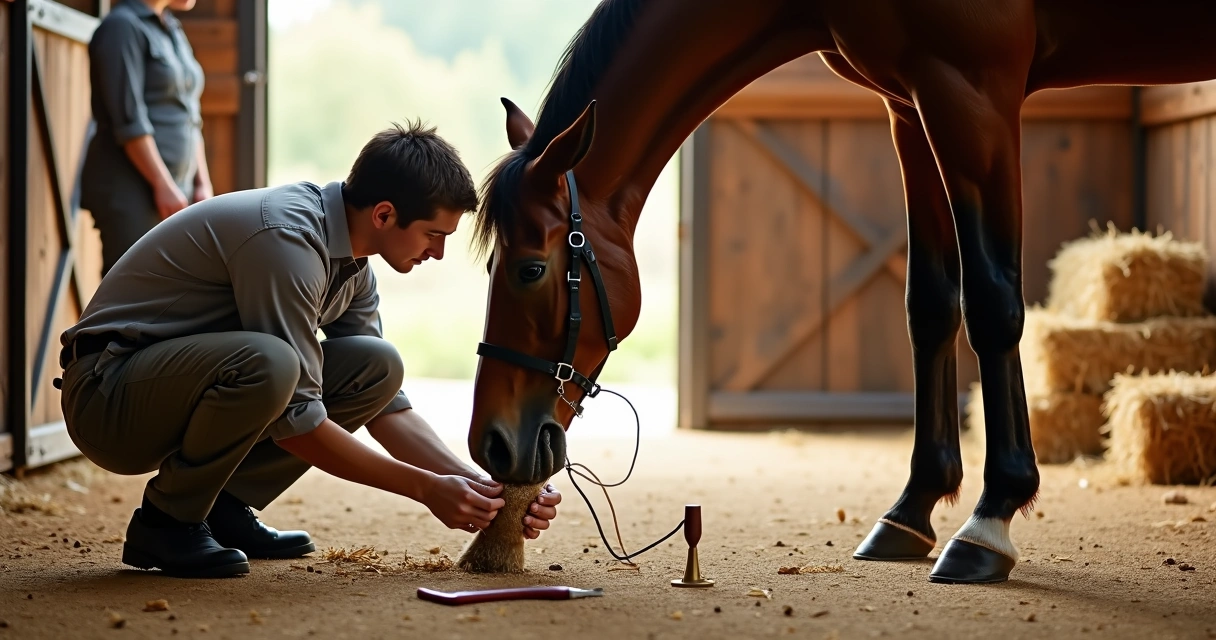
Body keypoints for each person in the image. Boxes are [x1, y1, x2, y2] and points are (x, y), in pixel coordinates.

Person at [55, 121, 561, 578]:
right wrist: (426, 489)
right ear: (385, 214)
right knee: (272, 365)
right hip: (108, 395)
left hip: (164, 386)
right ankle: (167, 522)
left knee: (376, 365)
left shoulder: (354, 264)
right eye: (433, 234)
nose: (438, 252)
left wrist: (482, 489)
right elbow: (298, 419)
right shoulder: (287, 242)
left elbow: (385, 404)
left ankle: (221, 507)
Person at [80, 0, 213, 277]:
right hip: (133, 188)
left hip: (177, 188)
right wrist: (162, 185)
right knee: (132, 294)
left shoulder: (171, 28)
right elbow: (129, 121)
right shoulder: (121, 27)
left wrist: (201, 183)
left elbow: (190, 113)